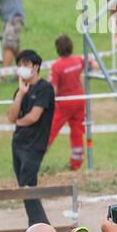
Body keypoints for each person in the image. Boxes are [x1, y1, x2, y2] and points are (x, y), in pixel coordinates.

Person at [7, 49, 55, 227]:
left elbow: (34, 116)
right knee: (25, 189)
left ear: (36, 67)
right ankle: (35, 229)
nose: (22, 68)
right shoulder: (20, 91)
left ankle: (42, 228)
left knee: (28, 187)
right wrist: (20, 94)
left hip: (34, 146)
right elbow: (11, 116)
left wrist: (18, 122)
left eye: (26, 64)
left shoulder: (45, 88)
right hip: (18, 144)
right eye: (19, 65)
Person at [47, 34, 85, 172]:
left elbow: (53, 88)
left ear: (58, 49)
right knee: (77, 131)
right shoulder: (78, 60)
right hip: (80, 100)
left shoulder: (56, 66)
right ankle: (76, 163)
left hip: (64, 103)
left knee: (50, 129)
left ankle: (36, 157)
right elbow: (93, 65)